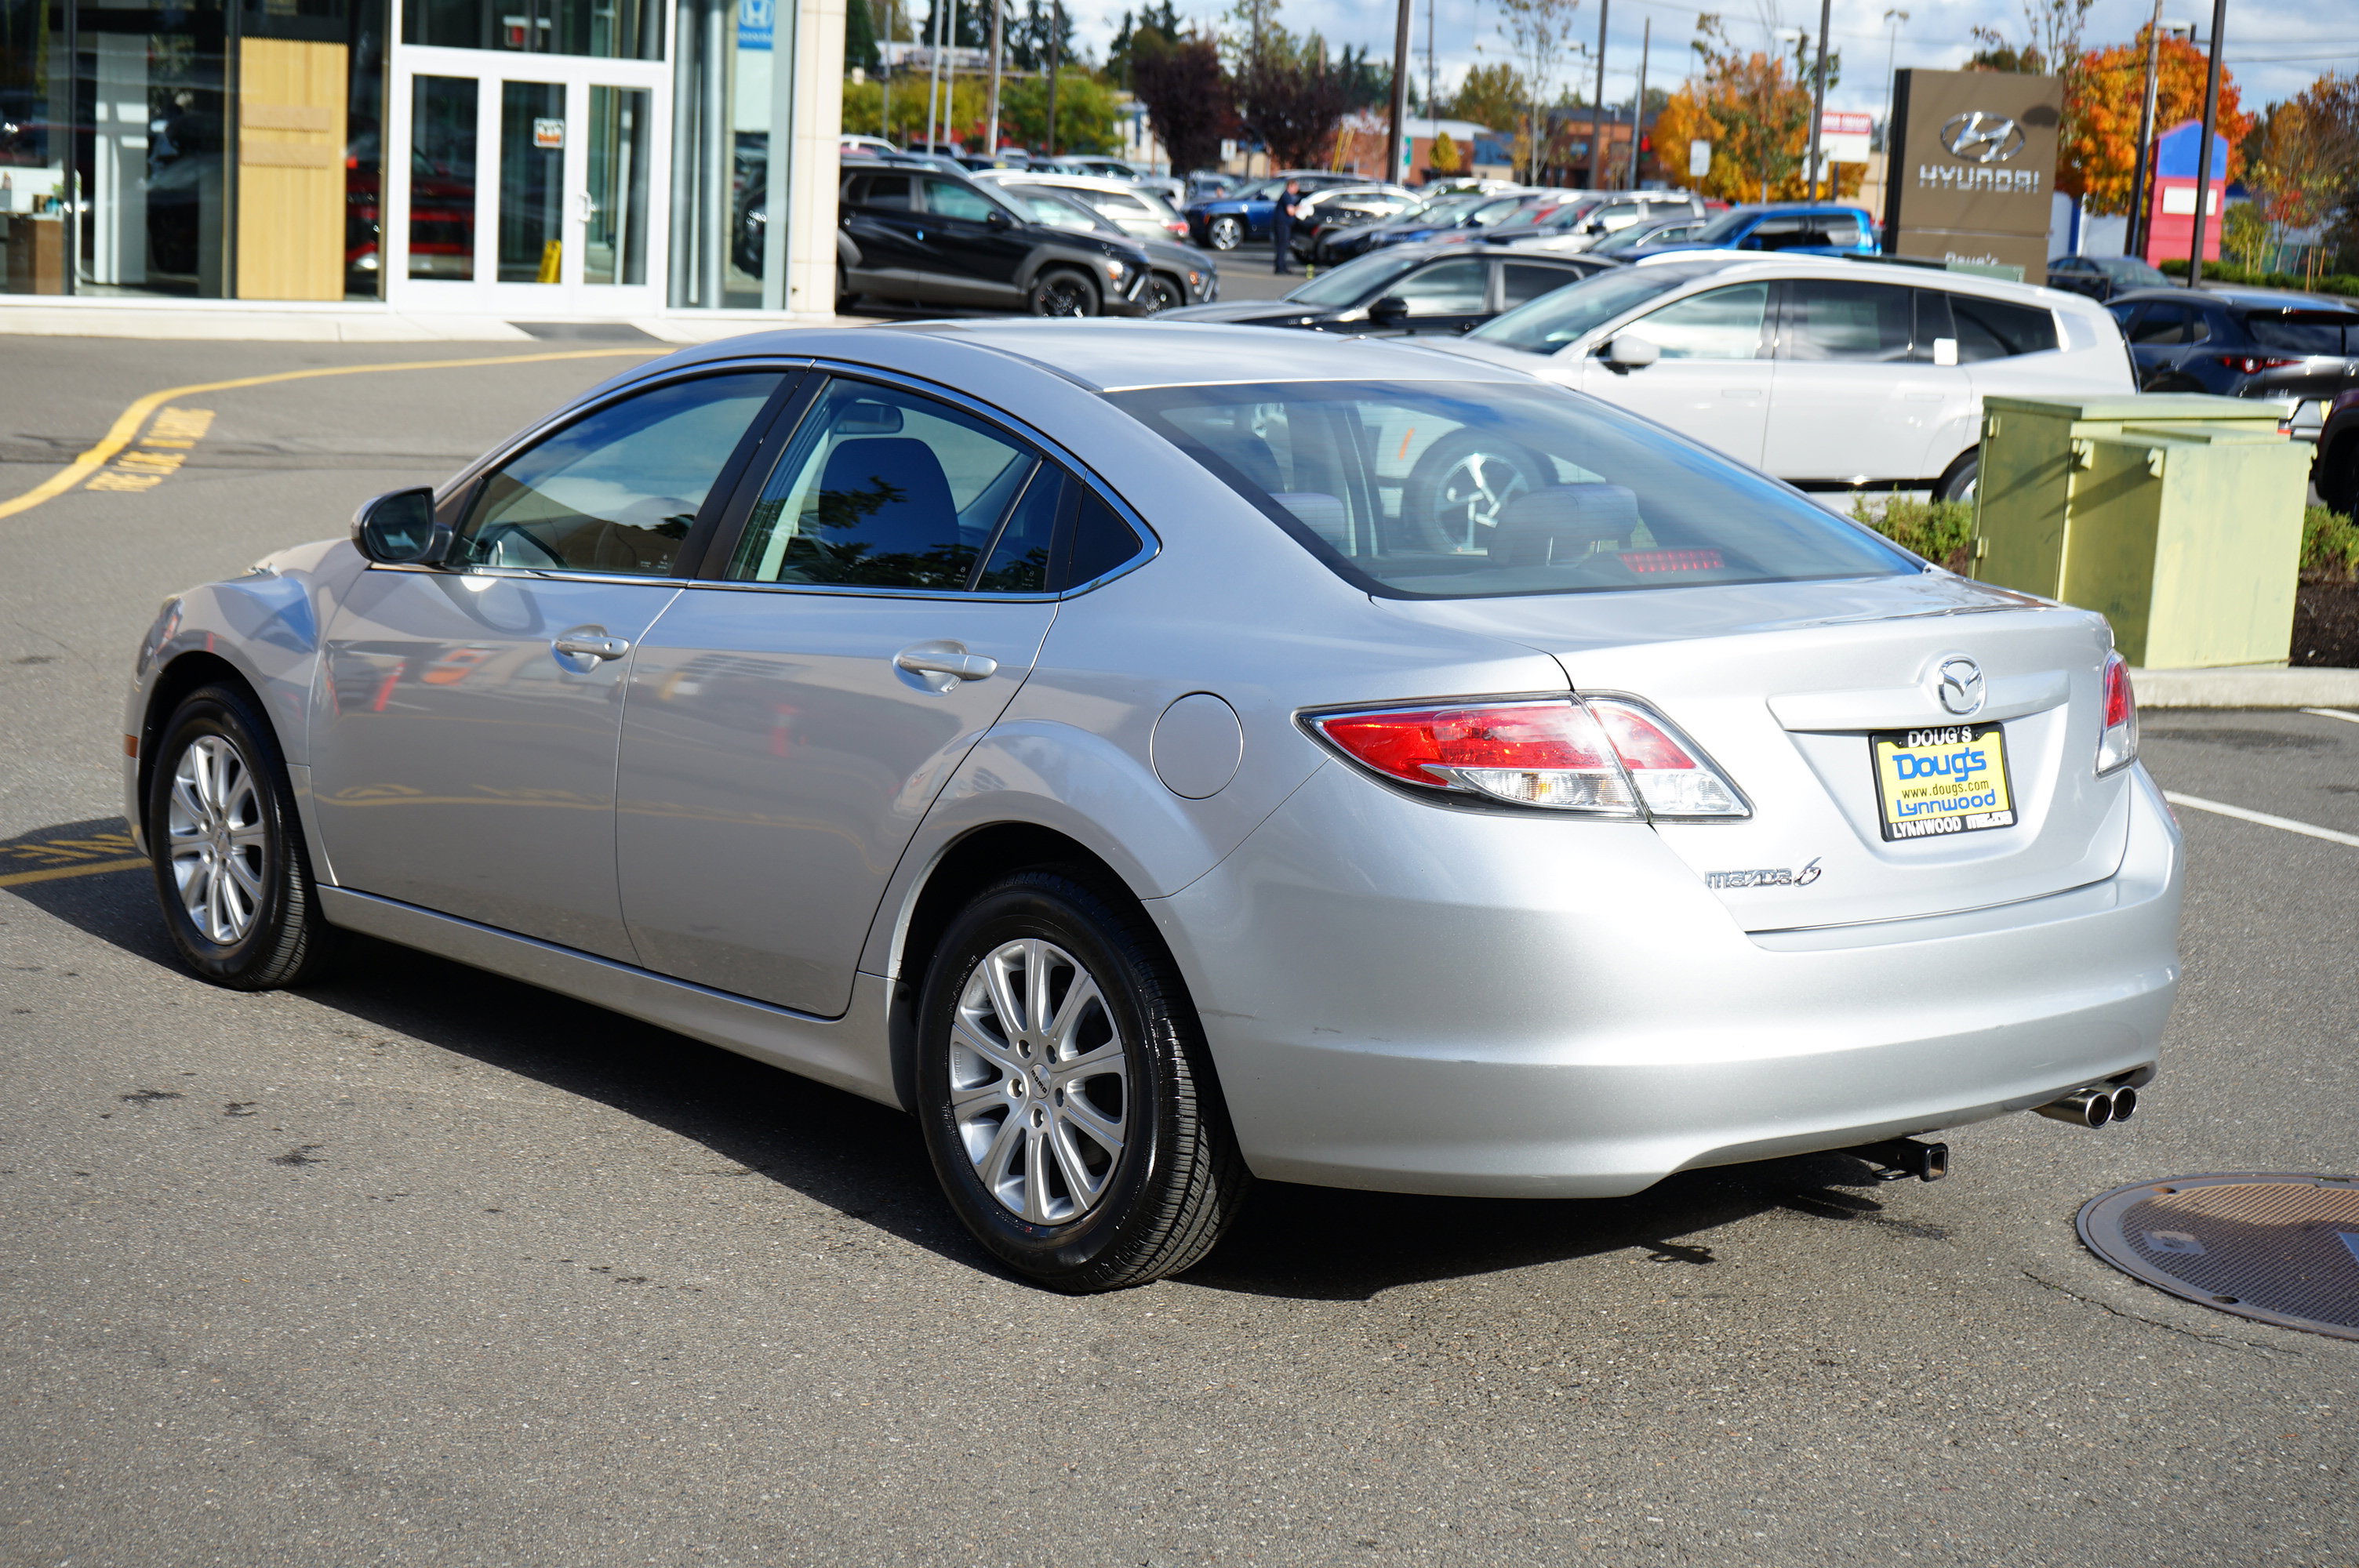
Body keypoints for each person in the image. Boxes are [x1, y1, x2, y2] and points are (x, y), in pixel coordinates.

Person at [1270, 178, 1301, 274]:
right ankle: (1280, 267)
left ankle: (1281, 265)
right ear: (1290, 186)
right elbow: (1290, 211)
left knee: (1283, 245)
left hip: (1284, 224)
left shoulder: (1287, 196)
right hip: (1282, 225)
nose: (1297, 189)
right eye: (1296, 187)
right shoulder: (1286, 196)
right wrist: (1299, 209)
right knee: (1282, 245)